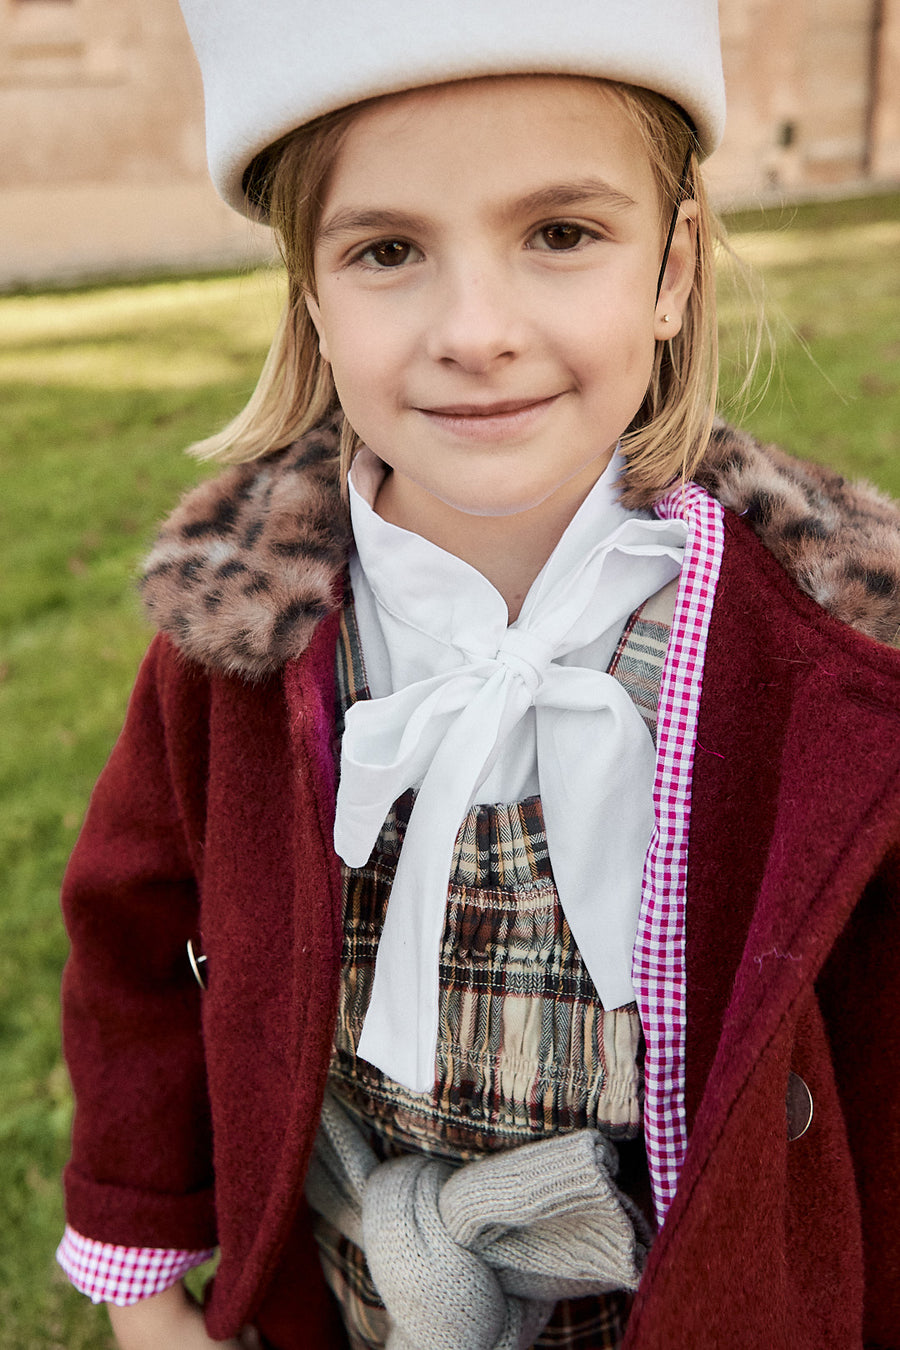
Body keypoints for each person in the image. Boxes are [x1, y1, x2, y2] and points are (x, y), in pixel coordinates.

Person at [57, 2, 900, 1347]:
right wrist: (148, 1286)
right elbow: (133, 947)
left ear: (674, 266)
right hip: (349, 1302)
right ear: (314, 298)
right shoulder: (238, 644)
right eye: (389, 250)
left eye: (561, 234)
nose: (477, 327)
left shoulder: (823, 669)